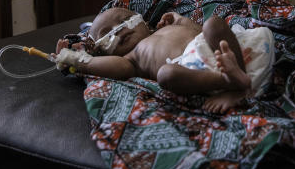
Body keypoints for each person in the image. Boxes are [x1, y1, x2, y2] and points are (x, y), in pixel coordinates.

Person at [55, 7, 274, 113]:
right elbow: (99, 66)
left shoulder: (169, 27)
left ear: (142, 21)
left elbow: (199, 33)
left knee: (213, 24)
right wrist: (75, 59)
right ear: (106, 52)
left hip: (232, 54)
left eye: (123, 20)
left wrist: (181, 20)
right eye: (107, 34)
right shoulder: (132, 58)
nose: (119, 30)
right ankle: (229, 83)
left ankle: (238, 75)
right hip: (195, 72)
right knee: (166, 75)